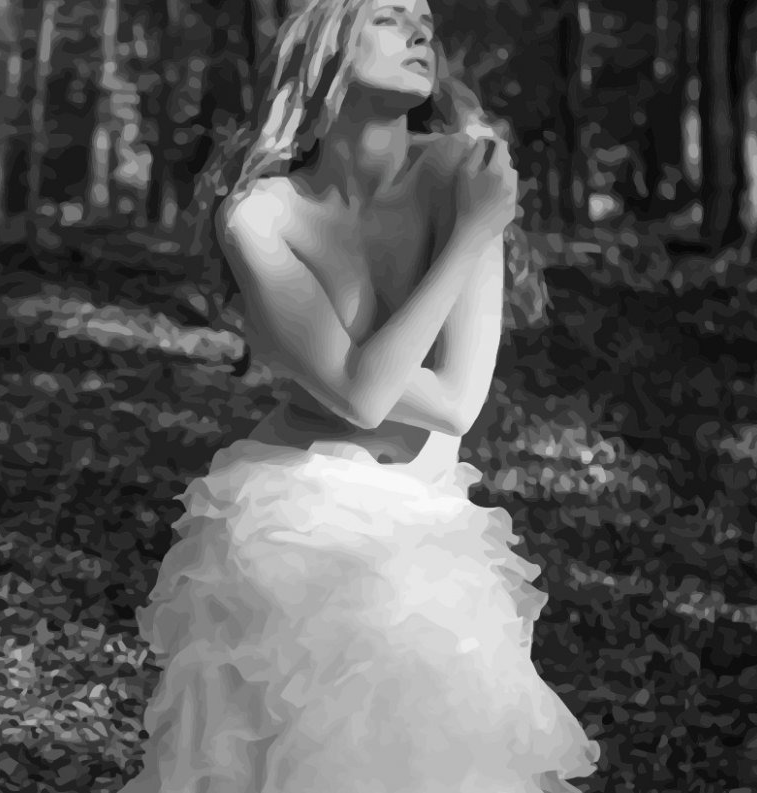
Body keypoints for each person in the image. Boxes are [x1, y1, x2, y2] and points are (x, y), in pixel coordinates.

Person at [119, 1, 602, 792]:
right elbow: (364, 394)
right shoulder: (260, 212)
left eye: (424, 19)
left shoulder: (465, 168)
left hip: (427, 529)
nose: (419, 31)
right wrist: (473, 233)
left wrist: (468, 227)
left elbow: (456, 402)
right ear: (325, 47)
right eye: (388, 16)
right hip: (291, 526)